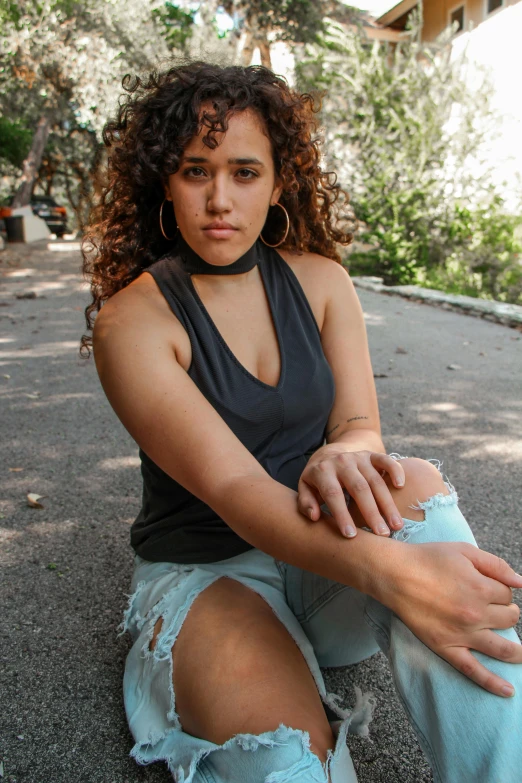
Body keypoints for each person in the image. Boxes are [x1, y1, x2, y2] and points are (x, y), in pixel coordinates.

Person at [81, 61, 522, 783]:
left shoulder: (320, 281)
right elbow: (235, 486)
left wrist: (341, 453)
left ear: (280, 181)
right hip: (209, 571)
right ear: (166, 179)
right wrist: (396, 573)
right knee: (291, 759)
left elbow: (358, 423)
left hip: (322, 557)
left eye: (245, 172)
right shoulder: (134, 320)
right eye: (196, 171)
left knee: (410, 480)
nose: (219, 199)